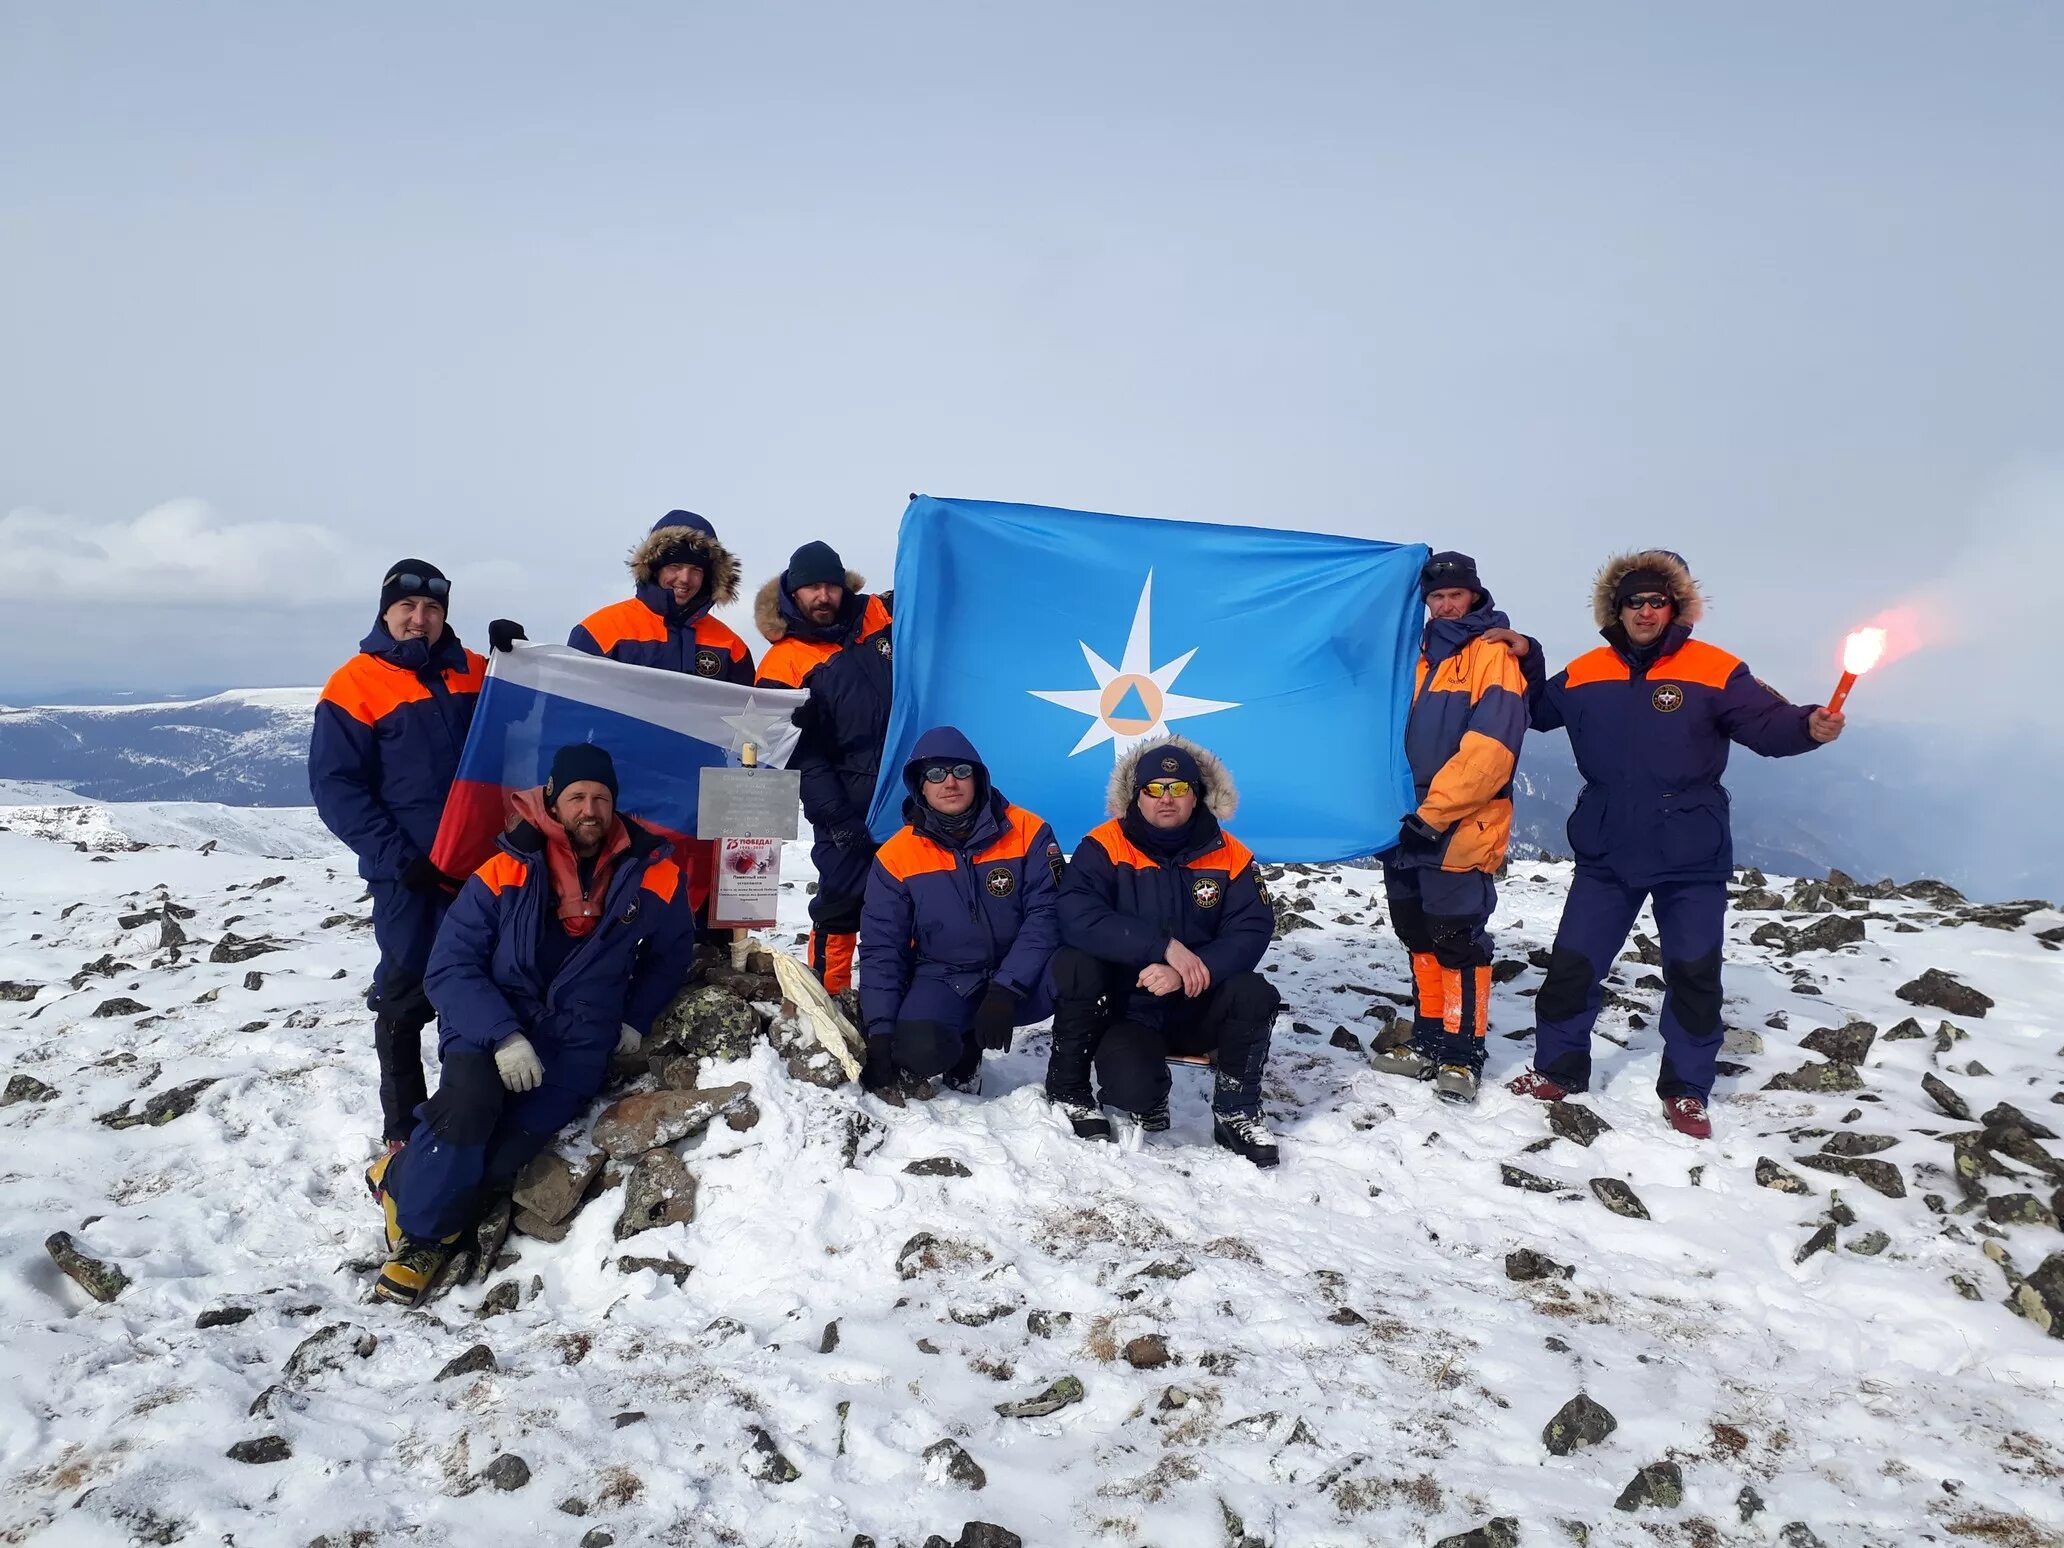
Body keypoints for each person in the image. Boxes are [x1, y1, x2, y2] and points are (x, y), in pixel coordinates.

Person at [1511, 549, 1844, 1137]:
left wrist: (1809, 725)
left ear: (1674, 607)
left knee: (1693, 973)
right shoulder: (1588, 671)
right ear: (1616, 609)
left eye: (1655, 601)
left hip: (1689, 853)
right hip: (1607, 850)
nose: (1644, 611)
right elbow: (1533, 711)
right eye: (1633, 602)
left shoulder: (1714, 669)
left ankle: (1687, 1089)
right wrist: (1528, 655)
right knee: (1572, 966)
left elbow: (1770, 726)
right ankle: (1558, 1071)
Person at [365, 744, 696, 1305]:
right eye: (576, 797)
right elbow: (449, 966)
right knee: (467, 1115)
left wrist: (635, 1018)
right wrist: (502, 1034)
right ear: (552, 800)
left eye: (600, 797)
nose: (589, 808)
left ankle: (399, 1175)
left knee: (500, 1158)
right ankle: (421, 1241)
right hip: (489, 1028)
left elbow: (671, 952)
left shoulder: (655, 875)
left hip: (576, 1045)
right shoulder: (506, 869)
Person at [310, 560, 486, 1150]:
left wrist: (519, 660)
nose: (420, 618)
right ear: (386, 611)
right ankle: (404, 1129)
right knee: (406, 993)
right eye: (408, 607)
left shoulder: (478, 672)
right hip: (408, 876)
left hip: (481, 871)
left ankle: (466, 1111)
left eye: (432, 609)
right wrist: (396, 859)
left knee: (481, 985)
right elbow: (337, 787)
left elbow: (532, 724)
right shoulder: (354, 684)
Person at [1046, 737, 1282, 1166]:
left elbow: (1251, 929)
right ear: (1137, 796)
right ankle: (1104, 1091)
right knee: (1077, 971)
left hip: (1200, 1003)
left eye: (1178, 788)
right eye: (1154, 789)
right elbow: (1077, 915)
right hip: (1130, 1008)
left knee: (1254, 991)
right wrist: (1162, 948)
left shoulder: (1231, 855)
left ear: (1198, 795)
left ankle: (1236, 1111)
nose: (1166, 799)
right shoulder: (1103, 846)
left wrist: (1194, 968)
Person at [1368, 552, 1530, 1104]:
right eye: (1435, 598)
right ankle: (1430, 1037)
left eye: (1454, 596)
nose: (1445, 605)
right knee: (1418, 936)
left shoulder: (1492, 654)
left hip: (1457, 825)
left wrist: (1432, 815)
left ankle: (1462, 1053)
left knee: (1456, 940)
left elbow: (1490, 750)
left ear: (1475, 596)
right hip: (1403, 825)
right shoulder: (1410, 657)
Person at [858, 727, 1063, 1098]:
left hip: (1023, 976)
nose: (949, 783)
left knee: (1083, 971)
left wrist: (1006, 988)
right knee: (917, 1052)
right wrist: (880, 1033)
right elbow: (882, 947)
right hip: (946, 976)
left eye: (961, 772)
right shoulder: (895, 855)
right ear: (920, 786)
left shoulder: (1029, 831)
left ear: (979, 778)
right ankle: (966, 1049)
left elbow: (1046, 914)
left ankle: (1070, 1082)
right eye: (935, 775)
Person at [754, 540, 893, 995]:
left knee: (908, 896)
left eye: (831, 586)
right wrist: (834, 815)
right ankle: (827, 996)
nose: (823, 597)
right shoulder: (782, 662)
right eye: (812, 587)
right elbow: (795, 752)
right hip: (842, 795)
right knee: (840, 899)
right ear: (794, 592)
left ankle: (893, 994)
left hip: (906, 786)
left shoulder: (880, 617)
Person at [562, 510, 755, 683]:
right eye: (674, 567)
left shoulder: (732, 648)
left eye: (696, 569)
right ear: (655, 569)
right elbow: (568, 704)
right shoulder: (600, 632)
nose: (685, 579)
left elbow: (749, 718)